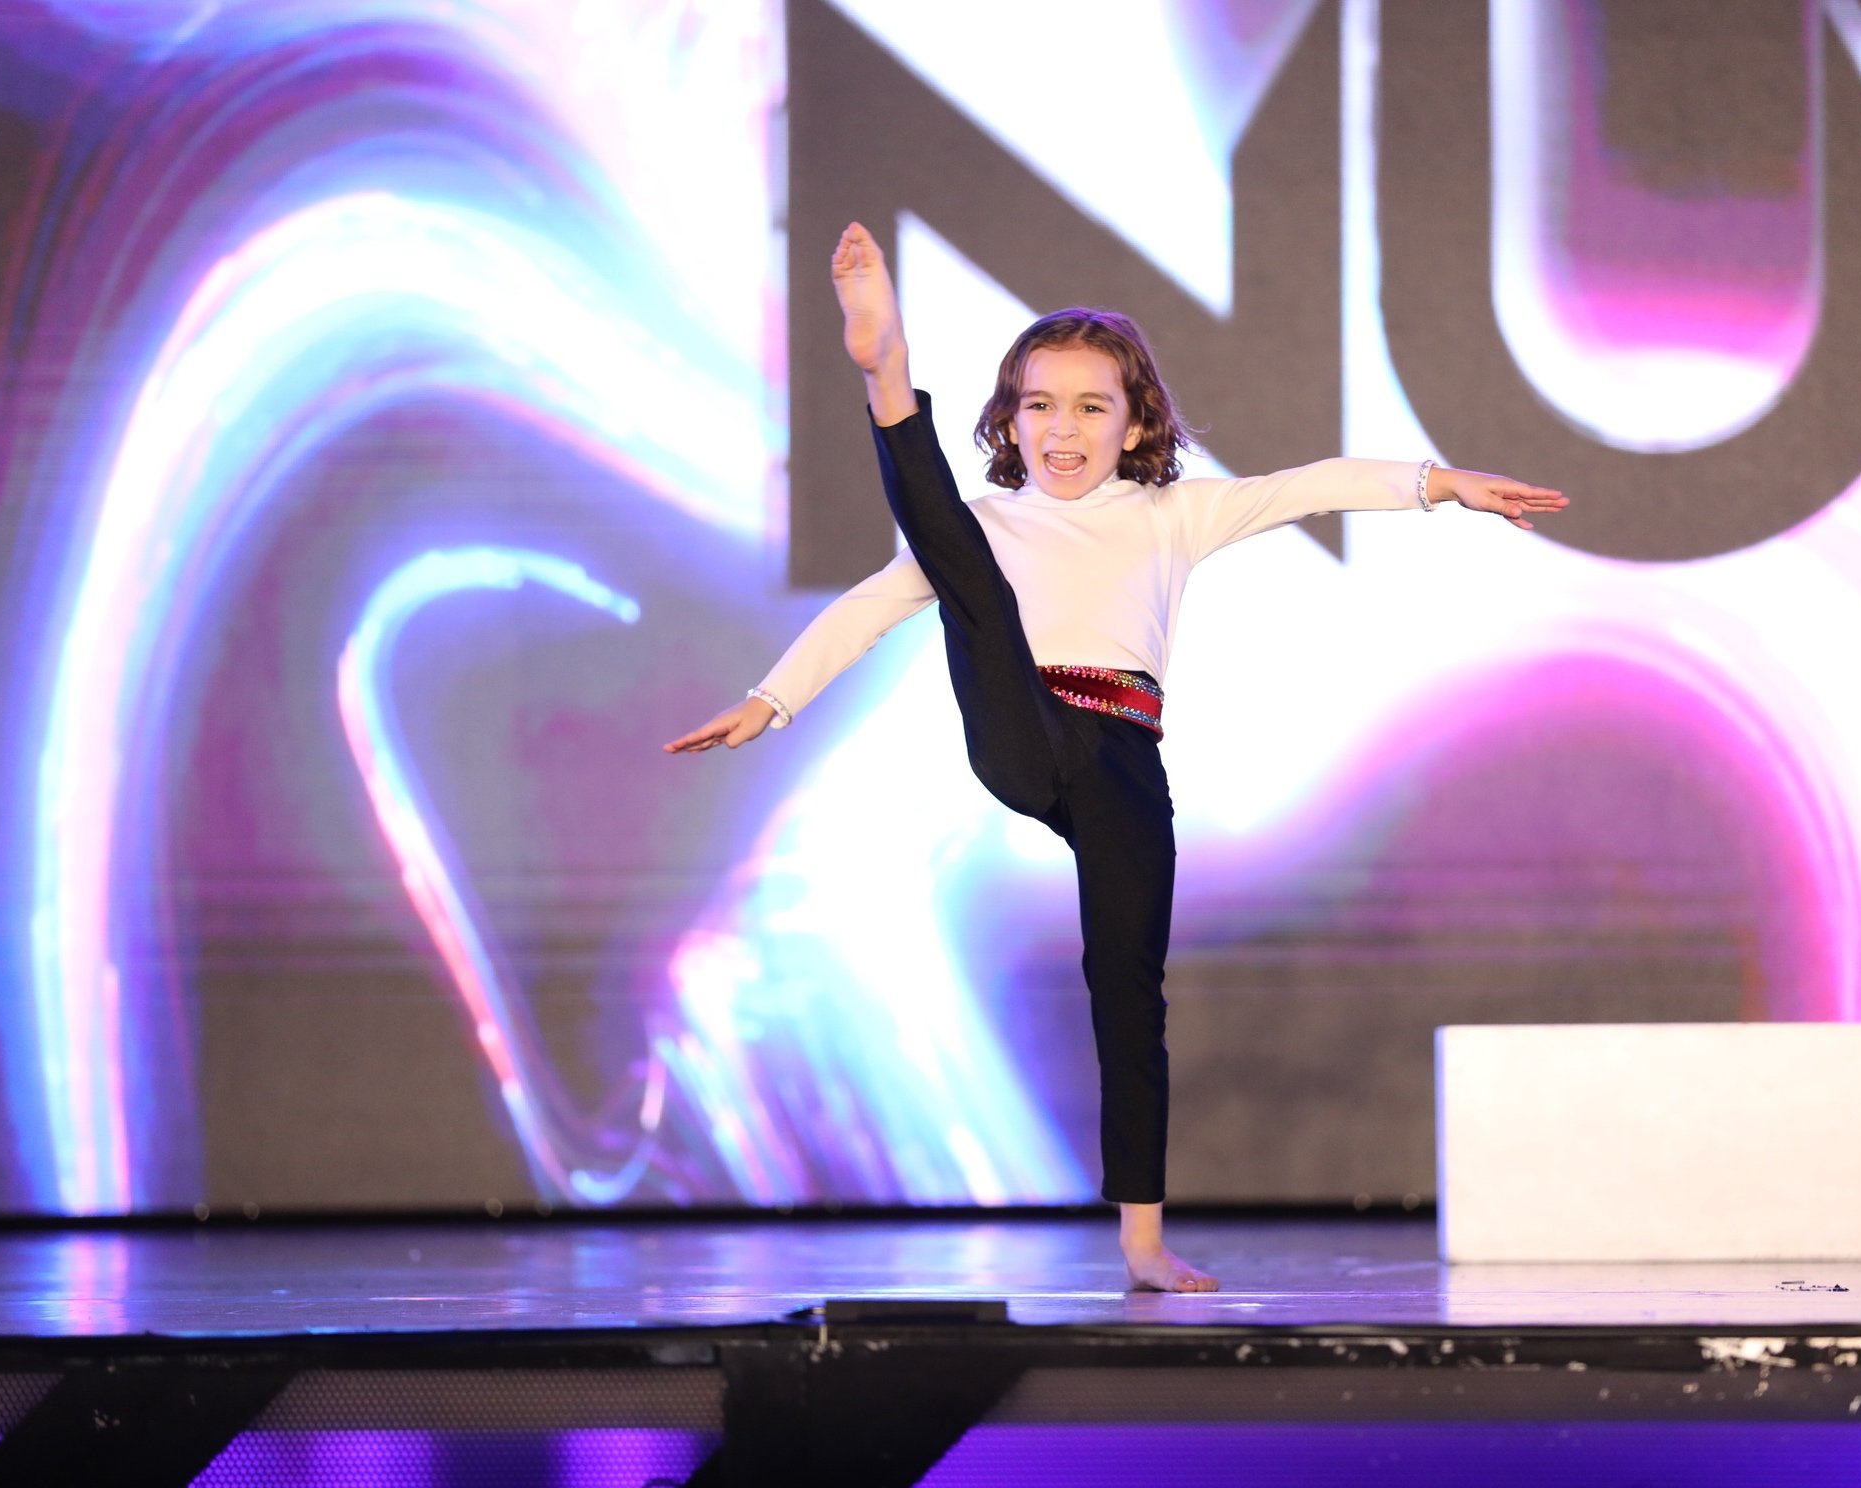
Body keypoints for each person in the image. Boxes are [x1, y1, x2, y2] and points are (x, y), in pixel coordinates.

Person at [668, 223, 1566, 1291]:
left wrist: (1443, 483)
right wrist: (771, 701)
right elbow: (867, 610)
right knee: (960, 558)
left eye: (1093, 407)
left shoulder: (1174, 515)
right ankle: (888, 375)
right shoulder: (992, 524)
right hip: (1017, 721)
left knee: (1128, 992)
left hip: (1122, 762)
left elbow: (1315, 484)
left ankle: (1141, 1239)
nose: (1063, 428)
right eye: (1040, 406)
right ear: (1007, 420)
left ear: (1135, 423)